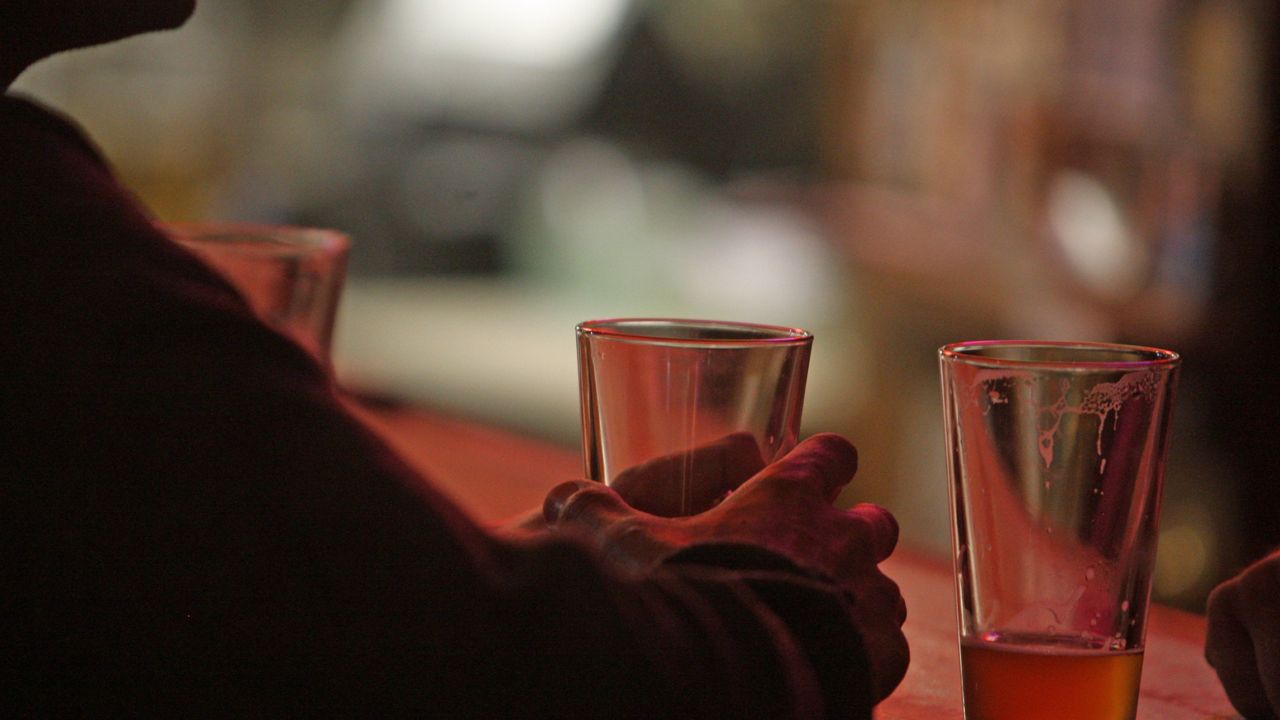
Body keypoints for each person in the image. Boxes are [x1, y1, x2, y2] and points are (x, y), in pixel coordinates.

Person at [1, 2, 909, 717]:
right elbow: (480, 691)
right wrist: (781, 603)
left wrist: (478, 581)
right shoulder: (41, 235)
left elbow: (273, 628)